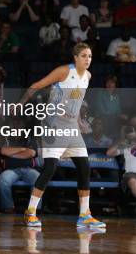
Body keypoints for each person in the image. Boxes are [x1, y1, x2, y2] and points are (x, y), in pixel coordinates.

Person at [19, 43, 105, 228]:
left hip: (72, 127)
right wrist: (21, 102)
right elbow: (36, 85)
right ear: (75, 57)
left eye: (90, 56)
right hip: (54, 124)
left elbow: (76, 100)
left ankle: (85, 215)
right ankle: (30, 212)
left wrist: (79, 120)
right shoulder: (64, 71)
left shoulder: (88, 77)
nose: (87, 59)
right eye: (83, 56)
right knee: (50, 168)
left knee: (84, 167)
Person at [0, 116, 41, 214]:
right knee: (3, 180)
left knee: (38, 178)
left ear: (23, 124)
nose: (17, 125)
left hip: (28, 169)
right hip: (11, 170)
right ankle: (8, 207)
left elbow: (32, 153)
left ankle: (34, 208)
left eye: (19, 123)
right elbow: (4, 151)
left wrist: (12, 155)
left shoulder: (29, 136)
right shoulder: (6, 136)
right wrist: (22, 149)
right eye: (15, 123)